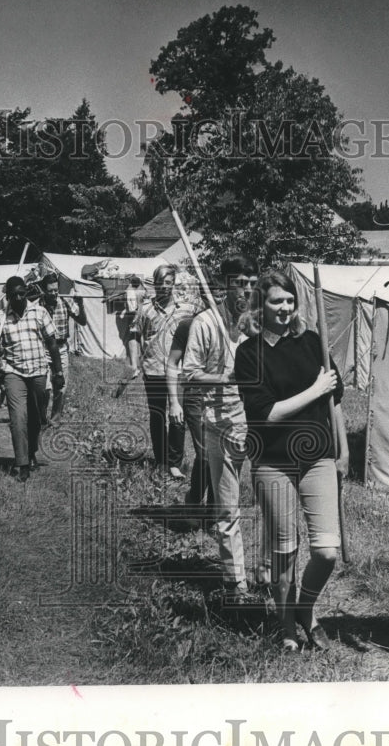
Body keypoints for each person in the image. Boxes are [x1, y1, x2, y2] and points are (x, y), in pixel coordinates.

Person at [234, 270, 350, 652]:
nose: (284, 308)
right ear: (260, 307)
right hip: (273, 461)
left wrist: (343, 449)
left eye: (289, 301)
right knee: (285, 549)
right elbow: (265, 414)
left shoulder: (312, 342)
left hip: (318, 457)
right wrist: (314, 388)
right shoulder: (249, 353)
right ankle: (286, 626)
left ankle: (305, 606)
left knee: (326, 551)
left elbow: (333, 400)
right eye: (275, 301)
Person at [181, 257, 261, 603]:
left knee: (269, 504)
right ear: (225, 284)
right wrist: (226, 377)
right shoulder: (204, 323)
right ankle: (235, 582)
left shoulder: (258, 322)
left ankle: (269, 574)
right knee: (228, 509)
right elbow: (189, 374)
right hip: (220, 425)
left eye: (252, 282)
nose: (246, 289)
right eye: (240, 282)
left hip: (260, 423)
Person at [0, 276, 64, 481]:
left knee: (36, 418)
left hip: (38, 370)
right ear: (7, 296)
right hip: (13, 372)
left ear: (26, 292)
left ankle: (31, 451)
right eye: (14, 294)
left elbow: (52, 343)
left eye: (22, 293)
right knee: (18, 417)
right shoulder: (0, 318)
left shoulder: (39, 312)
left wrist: (58, 372)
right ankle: (23, 463)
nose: (18, 297)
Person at [166, 272, 224, 525]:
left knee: (220, 456)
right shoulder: (189, 325)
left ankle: (211, 510)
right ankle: (195, 501)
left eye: (221, 292)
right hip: (195, 398)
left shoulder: (237, 327)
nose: (217, 297)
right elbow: (172, 364)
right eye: (212, 292)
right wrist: (174, 401)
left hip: (226, 400)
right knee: (205, 455)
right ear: (202, 295)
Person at [129, 264, 196, 479]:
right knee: (157, 415)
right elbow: (133, 334)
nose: (164, 288)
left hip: (179, 370)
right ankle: (161, 461)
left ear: (173, 284)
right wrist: (133, 362)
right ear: (154, 284)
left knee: (178, 415)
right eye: (160, 284)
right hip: (154, 369)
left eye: (168, 283)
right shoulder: (146, 309)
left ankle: (175, 463)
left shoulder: (187, 309)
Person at [38, 272, 87, 422]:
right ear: (44, 291)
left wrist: (81, 305)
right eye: (50, 291)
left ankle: (55, 419)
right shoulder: (39, 304)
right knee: (44, 387)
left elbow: (82, 321)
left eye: (55, 290)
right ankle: (41, 418)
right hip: (43, 348)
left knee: (61, 386)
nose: (53, 294)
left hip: (61, 348)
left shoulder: (65, 302)